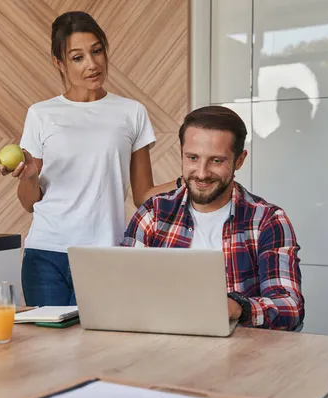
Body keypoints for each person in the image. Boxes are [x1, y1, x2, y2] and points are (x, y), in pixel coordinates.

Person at [0, 11, 178, 307]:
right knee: (50, 350)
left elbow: (144, 194)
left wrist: (188, 180)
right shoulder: (41, 114)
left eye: (97, 51)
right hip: (46, 253)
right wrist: (29, 177)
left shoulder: (131, 112)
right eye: (77, 57)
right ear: (60, 63)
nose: (92, 65)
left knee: (95, 351)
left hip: (103, 253)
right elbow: (30, 202)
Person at [121, 105, 305, 331]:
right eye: (192, 158)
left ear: (239, 160)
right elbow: (124, 292)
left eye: (216, 160)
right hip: (162, 348)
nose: (201, 173)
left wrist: (239, 308)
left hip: (241, 355)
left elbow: (290, 307)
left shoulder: (267, 220)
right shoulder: (153, 214)